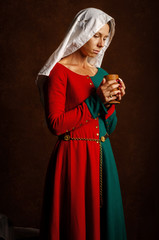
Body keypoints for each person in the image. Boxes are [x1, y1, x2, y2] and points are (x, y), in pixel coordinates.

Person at [36, 7, 127, 240]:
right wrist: (97, 101)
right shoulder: (59, 72)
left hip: (103, 155)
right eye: (96, 35)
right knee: (75, 222)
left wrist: (111, 102)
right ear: (81, 31)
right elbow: (55, 124)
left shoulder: (102, 73)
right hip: (73, 156)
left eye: (105, 38)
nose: (101, 43)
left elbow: (111, 127)